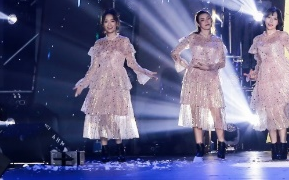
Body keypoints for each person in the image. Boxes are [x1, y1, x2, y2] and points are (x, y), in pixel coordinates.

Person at [74, 9, 158, 161]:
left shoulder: (124, 41)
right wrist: (82, 84)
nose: (109, 24)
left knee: (115, 116)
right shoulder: (99, 43)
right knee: (102, 116)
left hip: (117, 83)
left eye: (112, 21)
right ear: (103, 24)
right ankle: (104, 150)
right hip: (100, 83)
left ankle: (120, 147)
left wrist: (146, 72)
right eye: (106, 21)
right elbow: (93, 68)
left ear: (117, 23)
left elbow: (132, 63)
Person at [246, 6, 289, 160]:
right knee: (269, 111)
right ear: (264, 19)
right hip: (265, 78)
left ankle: (283, 145)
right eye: (269, 17)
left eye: (275, 18)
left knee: (281, 110)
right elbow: (259, 62)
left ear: (279, 21)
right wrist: (254, 74)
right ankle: (274, 147)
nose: (271, 21)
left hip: (282, 75)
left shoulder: (282, 36)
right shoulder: (258, 40)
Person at [171, 10, 229, 160]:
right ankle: (199, 147)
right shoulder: (192, 37)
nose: (206, 21)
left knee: (216, 111)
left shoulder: (217, 41)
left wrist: (211, 66)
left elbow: (222, 61)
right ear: (198, 23)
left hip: (211, 77)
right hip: (194, 78)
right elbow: (175, 52)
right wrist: (186, 65)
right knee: (196, 112)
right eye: (202, 19)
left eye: (208, 18)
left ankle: (221, 145)